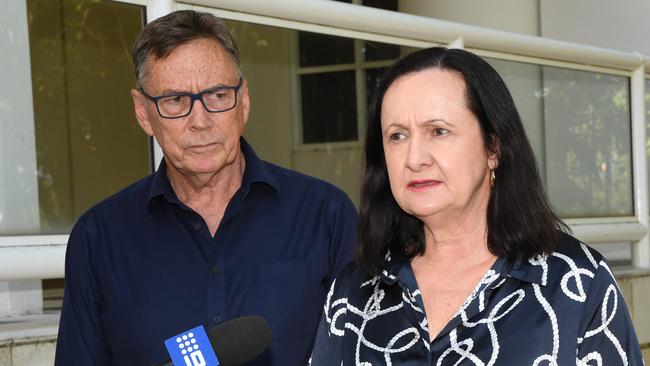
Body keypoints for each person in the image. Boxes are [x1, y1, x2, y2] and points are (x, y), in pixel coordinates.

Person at [55, 10, 357, 366]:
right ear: (142, 112)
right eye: (175, 101)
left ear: (243, 100)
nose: (200, 121)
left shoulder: (326, 216)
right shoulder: (99, 240)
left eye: (216, 95)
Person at [310, 47, 643, 365]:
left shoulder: (576, 283)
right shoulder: (356, 289)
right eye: (397, 136)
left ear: (493, 149)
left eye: (438, 131)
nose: (414, 158)